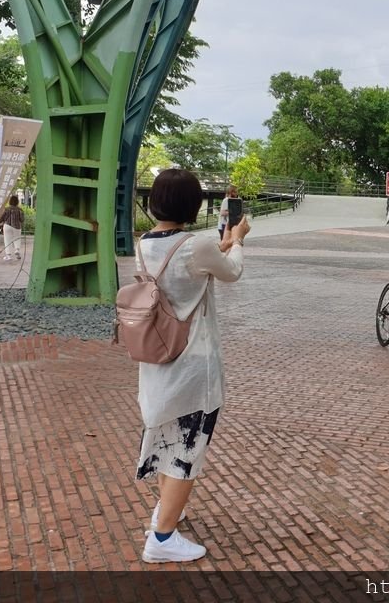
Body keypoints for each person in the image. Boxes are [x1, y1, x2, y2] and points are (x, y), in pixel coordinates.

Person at [135, 168, 249, 563]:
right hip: (192, 367)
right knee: (188, 447)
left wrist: (223, 243)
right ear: (194, 204)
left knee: (167, 438)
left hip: (157, 360)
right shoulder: (197, 244)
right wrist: (237, 241)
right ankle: (162, 538)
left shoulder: (145, 242)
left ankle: (169, 508)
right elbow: (231, 271)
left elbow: (194, 263)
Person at [0, 195, 24, 261]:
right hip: (17, 226)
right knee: (17, 238)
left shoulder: (6, 209)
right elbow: (22, 219)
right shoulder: (20, 210)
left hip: (7, 225)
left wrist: (0, 222)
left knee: (7, 240)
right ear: (17, 201)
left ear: (10, 201)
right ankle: (17, 250)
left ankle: (8, 255)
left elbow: (2, 218)